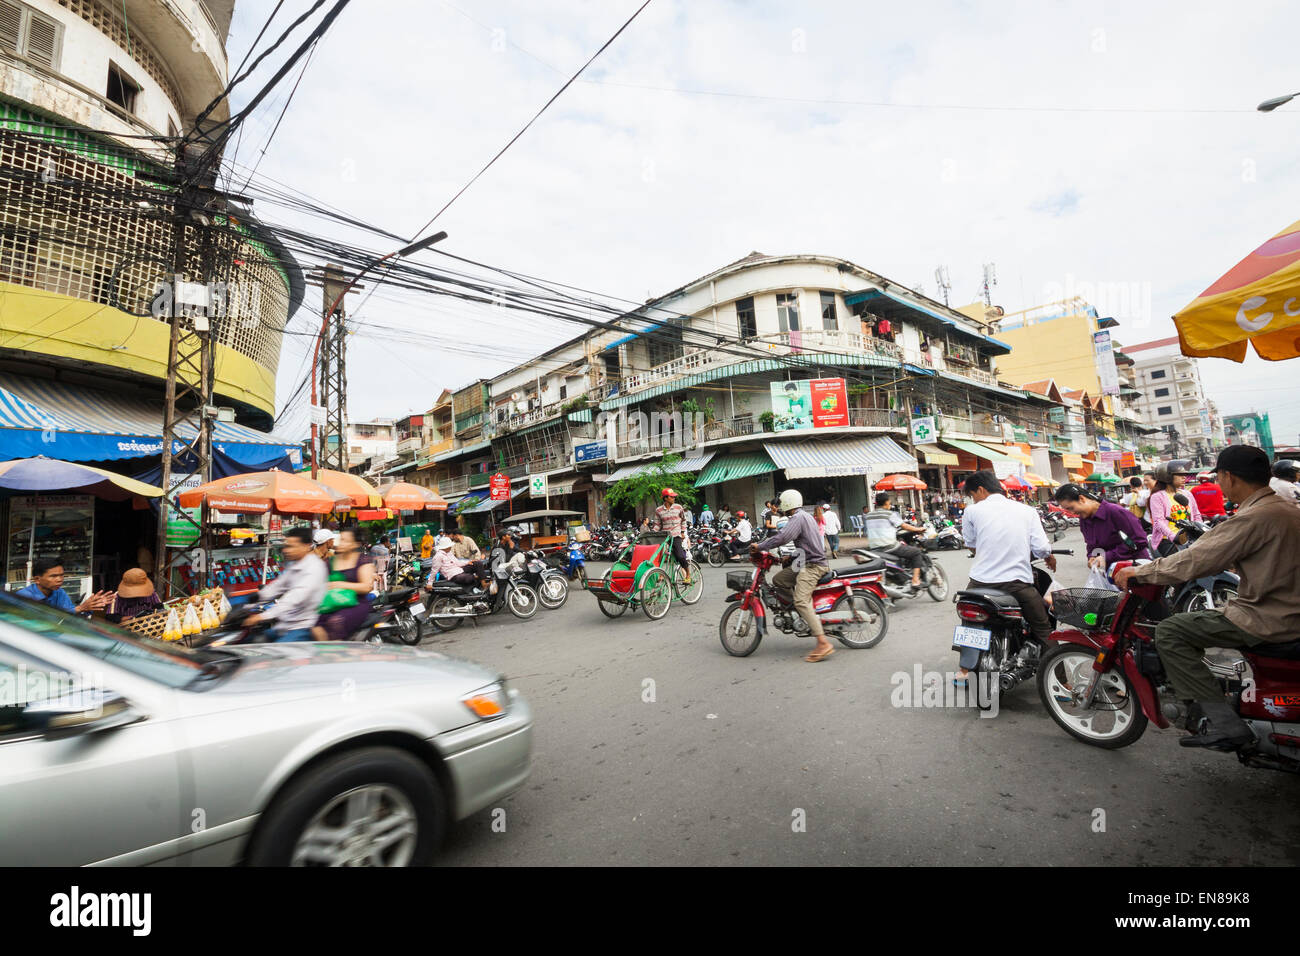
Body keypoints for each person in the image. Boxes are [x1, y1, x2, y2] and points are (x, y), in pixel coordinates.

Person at [1114, 445, 1300, 751]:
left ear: (1227, 476)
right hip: (1178, 544)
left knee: (1171, 631)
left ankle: (1223, 724)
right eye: (1179, 475)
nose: (1184, 479)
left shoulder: (1255, 516)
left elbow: (1196, 560)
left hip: (1270, 617)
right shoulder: (1284, 508)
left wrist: (1143, 574)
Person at [956, 471, 1055, 683]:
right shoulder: (1027, 511)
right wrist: (1049, 557)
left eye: (973, 495)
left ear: (981, 490)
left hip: (979, 583)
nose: (973, 499)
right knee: (1043, 628)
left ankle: (964, 671)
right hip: (1017, 584)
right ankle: (1060, 682)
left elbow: (971, 544)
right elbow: (1041, 548)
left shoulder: (972, 511)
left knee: (968, 620)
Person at [750, 489, 834, 663]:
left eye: (782, 504)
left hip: (813, 565)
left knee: (801, 600)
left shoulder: (797, 518)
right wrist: (792, 556)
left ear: (788, 503)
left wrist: (760, 546)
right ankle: (796, 610)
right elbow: (806, 542)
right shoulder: (804, 516)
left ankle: (823, 643)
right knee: (779, 580)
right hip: (804, 560)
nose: (780, 507)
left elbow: (782, 537)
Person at [246, 527, 329, 642]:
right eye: (286, 546)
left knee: (275, 654)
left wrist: (261, 616)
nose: (286, 550)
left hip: (303, 627)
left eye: (291, 547)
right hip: (283, 625)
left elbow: (293, 598)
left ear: (306, 546)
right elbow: (276, 587)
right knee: (250, 642)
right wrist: (250, 602)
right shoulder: (294, 565)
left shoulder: (314, 568)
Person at [1052, 483, 1150, 569]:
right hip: (1110, 573)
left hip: (1136, 570)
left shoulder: (1116, 512)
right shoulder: (1084, 520)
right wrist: (1091, 557)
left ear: (1082, 499)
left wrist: (1106, 556)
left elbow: (1139, 541)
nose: (1072, 513)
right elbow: (1091, 545)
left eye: (1071, 508)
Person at [312, 529, 376, 641]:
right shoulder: (330, 560)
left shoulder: (363, 559)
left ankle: (338, 654)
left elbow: (367, 587)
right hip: (332, 602)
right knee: (314, 623)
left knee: (335, 622)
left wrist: (339, 584)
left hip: (356, 604)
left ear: (355, 544)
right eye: (340, 539)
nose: (340, 543)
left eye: (345, 540)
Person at [862, 492, 926, 590]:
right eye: (889, 502)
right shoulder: (889, 514)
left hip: (874, 549)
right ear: (887, 502)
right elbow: (904, 526)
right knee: (916, 552)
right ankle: (915, 580)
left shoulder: (869, 515)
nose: (890, 504)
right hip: (889, 547)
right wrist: (918, 529)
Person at [16, 558, 113, 616]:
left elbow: (70, 616)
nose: (59, 579)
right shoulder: (24, 596)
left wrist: (92, 606)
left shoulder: (59, 592)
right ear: (37, 579)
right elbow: (43, 622)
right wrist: (80, 608)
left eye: (62, 575)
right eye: (53, 576)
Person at [1146, 460, 1201, 553]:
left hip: (1189, 538)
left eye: (1184, 474)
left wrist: (1199, 531)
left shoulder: (1187, 494)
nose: (1184, 477)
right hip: (1167, 540)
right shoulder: (1157, 496)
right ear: (1167, 476)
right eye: (1179, 475)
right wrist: (1173, 537)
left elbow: (1196, 515)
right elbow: (1158, 521)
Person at [652, 488, 692, 584]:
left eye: (674, 496)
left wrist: (682, 532)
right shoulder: (659, 510)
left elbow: (683, 520)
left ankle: (688, 574)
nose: (674, 498)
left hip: (676, 536)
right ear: (666, 498)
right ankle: (660, 574)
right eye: (672, 496)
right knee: (659, 555)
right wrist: (653, 533)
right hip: (664, 536)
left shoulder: (678, 507)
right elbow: (657, 525)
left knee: (680, 556)